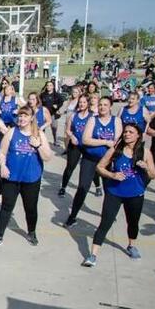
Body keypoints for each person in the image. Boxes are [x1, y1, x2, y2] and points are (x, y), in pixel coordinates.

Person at [82, 123, 155, 267]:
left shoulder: (145, 152)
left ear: (138, 135)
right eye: (125, 132)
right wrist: (112, 174)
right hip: (114, 193)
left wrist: (146, 167)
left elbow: (153, 175)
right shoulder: (115, 150)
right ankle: (93, 255)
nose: (127, 134)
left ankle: (131, 245)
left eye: (130, 132)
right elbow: (99, 167)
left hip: (135, 194)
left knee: (133, 223)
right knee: (105, 223)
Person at [0, 107, 52, 248]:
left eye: (25, 116)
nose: (22, 118)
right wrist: (3, 166)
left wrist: (38, 145)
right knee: (6, 207)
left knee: (30, 208)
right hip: (12, 178)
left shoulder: (39, 134)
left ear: (31, 118)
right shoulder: (12, 132)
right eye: (20, 116)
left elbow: (48, 157)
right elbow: (1, 152)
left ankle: (31, 232)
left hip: (31, 179)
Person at [65, 96, 122, 228]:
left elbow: (117, 142)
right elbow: (85, 140)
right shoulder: (92, 120)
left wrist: (103, 143)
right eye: (100, 105)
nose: (102, 107)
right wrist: (105, 142)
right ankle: (72, 216)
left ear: (110, 107)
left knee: (110, 191)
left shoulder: (116, 121)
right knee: (82, 188)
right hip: (89, 159)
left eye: (105, 105)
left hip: (107, 162)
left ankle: (108, 217)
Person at [59, 95, 100, 196]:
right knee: (70, 167)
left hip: (88, 145)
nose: (82, 104)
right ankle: (63, 187)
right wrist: (72, 137)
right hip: (75, 145)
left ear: (88, 103)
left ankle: (98, 186)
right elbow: (68, 130)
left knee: (92, 168)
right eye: (80, 102)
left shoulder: (93, 116)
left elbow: (96, 131)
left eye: (84, 102)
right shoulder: (73, 115)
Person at [39, 81, 64, 145]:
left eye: (50, 85)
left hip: (53, 114)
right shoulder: (43, 94)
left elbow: (61, 101)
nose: (48, 87)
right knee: (42, 128)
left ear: (53, 87)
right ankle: (42, 141)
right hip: (44, 114)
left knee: (54, 128)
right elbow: (39, 102)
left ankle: (55, 141)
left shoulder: (56, 95)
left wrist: (57, 106)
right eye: (47, 85)